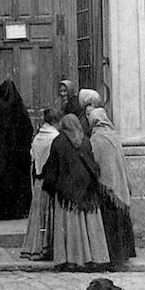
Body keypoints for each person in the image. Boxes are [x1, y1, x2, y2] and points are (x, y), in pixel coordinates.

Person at [41, 113, 110, 271]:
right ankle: (94, 258)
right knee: (89, 227)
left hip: (67, 194)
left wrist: (49, 188)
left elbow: (52, 169)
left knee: (70, 227)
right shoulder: (86, 140)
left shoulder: (58, 142)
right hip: (87, 191)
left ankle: (71, 259)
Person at [87, 106, 136, 269]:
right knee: (120, 223)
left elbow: (94, 161)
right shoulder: (114, 136)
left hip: (107, 187)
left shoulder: (96, 138)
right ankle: (123, 255)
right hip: (119, 185)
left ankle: (113, 258)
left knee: (110, 225)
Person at [0, 78, 34, 220]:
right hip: (18, 155)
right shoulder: (21, 109)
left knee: (0, 182)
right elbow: (28, 130)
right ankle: (19, 210)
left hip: (0, 155)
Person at [21, 107, 62, 261]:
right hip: (48, 181)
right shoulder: (55, 137)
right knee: (47, 214)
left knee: (37, 214)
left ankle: (34, 246)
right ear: (56, 122)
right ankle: (44, 246)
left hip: (38, 180)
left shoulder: (39, 136)